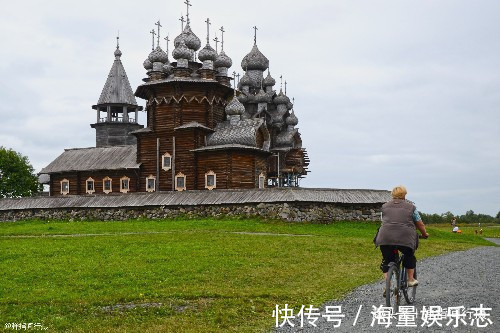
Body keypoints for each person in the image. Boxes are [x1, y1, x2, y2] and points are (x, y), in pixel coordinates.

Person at [375, 186, 429, 290]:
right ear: (404, 195)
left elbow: (384, 221)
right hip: (405, 237)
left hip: (385, 237)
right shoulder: (411, 207)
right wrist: (425, 234)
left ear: (392, 195)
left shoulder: (384, 207)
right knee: (409, 255)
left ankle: (388, 286)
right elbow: (420, 224)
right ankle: (410, 280)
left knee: (387, 260)